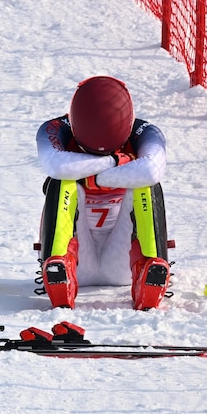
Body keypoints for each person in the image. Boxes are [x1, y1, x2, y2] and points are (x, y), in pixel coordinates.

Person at [35, 76, 171, 310]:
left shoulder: (146, 132)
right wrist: (117, 161)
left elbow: (151, 170)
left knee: (146, 186)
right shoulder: (54, 129)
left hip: (122, 257)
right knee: (62, 182)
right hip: (78, 257)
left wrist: (89, 173)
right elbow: (58, 165)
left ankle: (149, 269)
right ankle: (59, 269)